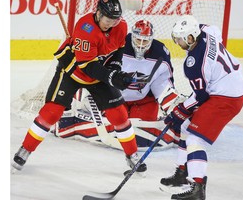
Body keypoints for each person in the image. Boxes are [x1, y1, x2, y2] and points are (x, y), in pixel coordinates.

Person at [12, 0, 147, 173]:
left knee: (119, 115)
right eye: (108, 19)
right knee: (51, 113)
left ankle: (132, 156)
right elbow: (87, 67)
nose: (111, 24)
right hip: (73, 72)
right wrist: (113, 77)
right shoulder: (85, 28)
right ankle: (25, 149)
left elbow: (119, 49)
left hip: (99, 73)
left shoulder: (120, 26)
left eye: (115, 20)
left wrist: (115, 66)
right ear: (98, 13)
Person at [55, 19, 184, 148]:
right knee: (115, 130)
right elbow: (98, 70)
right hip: (115, 98)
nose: (141, 45)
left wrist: (171, 103)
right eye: (139, 40)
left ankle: (178, 133)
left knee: (141, 139)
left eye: (145, 41)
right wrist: (95, 93)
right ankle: (72, 124)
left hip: (144, 100)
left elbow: (161, 83)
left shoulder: (160, 53)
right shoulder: (118, 44)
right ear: (132, 36)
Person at [159, 15, 243, 200]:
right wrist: (181, 114)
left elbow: (200, 96)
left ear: (191, 37)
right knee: (184, 127)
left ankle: (197, 188)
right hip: (229, 85)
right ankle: (182, 172)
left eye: (180, 39)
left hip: (226, 98)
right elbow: (216, 32)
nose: (177, 42)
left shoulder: (194, 64)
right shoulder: (206, 30)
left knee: (195, 140)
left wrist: (179, 111)